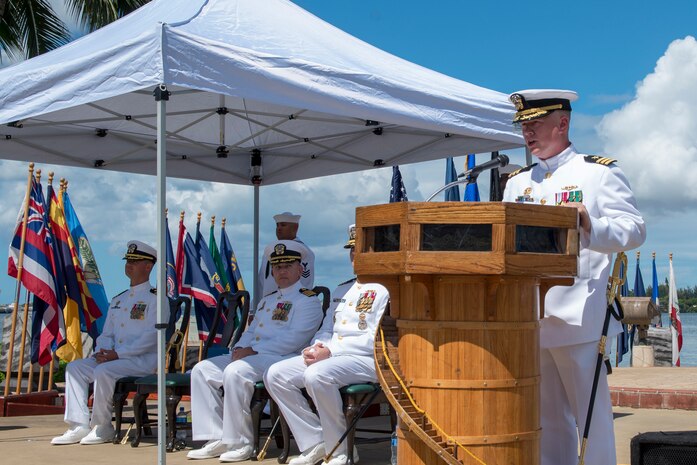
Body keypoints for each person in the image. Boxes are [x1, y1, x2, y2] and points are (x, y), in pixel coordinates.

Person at [503, 89, 646, 465]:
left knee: (591, 420)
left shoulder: (597, 172)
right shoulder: (517, 183)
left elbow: (634, 229)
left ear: (562, 123)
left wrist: (591, 224)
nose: (527, 135)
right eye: (523, 128)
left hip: (581, 315)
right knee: (546, 418)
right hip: (532, 315)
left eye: (535, 125)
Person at [187, 240, 324, 462]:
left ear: (300, 269)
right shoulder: (267, 301)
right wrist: (240, 347)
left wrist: (251, 350)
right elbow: (250, 331)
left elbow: (294, 339)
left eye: (288, 266)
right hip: (254, 355)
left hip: (282, 358)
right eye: (278, 267)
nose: (282, 271)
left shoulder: (307, 301)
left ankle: (241, 442)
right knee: (202, 369)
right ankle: (216, 437)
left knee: (236, 371)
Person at [264, 224, 390, 465]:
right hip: (334, 358)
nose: (355, 256)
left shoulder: (384, 289)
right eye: (352, 251)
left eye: (361, 250)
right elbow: (327, 328)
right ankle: (315, 442)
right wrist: (317, 347)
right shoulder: (342, 288)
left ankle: (340, 450)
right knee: (276, 374)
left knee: (316, 375)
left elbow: (375, 337)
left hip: (368, 359)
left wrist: (331, 351)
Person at [51, 240, 158, 445]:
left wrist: (117, 354)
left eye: (135, 261)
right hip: (112, 358)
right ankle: (78, 425)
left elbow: (152, 337)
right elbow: (106, 333)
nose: (129, 264)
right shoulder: (119, 299)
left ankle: (103, 426)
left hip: (141, 361)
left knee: (103, 372)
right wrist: (102, 350)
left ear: (148, 266)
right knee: (75, 368)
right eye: (128, 260)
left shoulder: (156, 299)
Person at [255, 212, 315, 308]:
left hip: (290, 305)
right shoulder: (270, 252)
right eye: (277, 225)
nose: (279, 228)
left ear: (295, 228)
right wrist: (254, 308)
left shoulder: (304, 252)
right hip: (266, 305)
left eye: (283, 225)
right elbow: (261, 283)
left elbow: (305, 282)